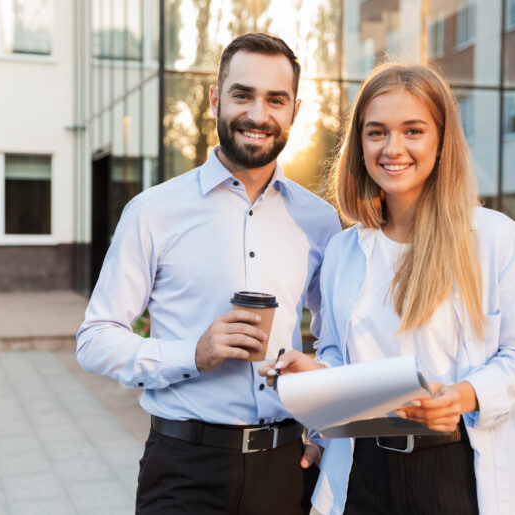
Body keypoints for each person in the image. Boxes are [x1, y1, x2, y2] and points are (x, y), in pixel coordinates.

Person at [260, 63, 515, 514]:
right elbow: (339, 356)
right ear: (360, 144)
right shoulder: (343, 250)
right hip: (362, 471)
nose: (393, 148)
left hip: (457, 470)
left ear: (441, 140)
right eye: (377, 133)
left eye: (412, 130)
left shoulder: (497, 239)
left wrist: (463, 396)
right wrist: (315, 372)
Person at [76, 33, 340, 515]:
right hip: (183, 469)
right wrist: (191, 354)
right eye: (243, 95)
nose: (258, 115)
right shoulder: (153, 211)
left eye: (275, 100)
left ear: (294, 111)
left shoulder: (320, 221)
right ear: (216, 100)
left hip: (286, 470)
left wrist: (324, 435)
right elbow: (95, 338)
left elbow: (336, 343)